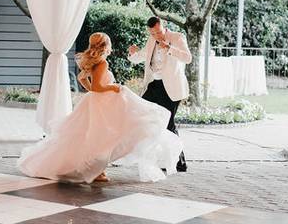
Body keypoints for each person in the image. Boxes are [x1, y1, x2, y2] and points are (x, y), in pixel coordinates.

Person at [18, 32, 180, 183]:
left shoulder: (93, 61)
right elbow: (98, 87)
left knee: (98, 137)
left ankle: (97, 169)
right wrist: (113, 88)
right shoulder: (102, 62)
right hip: (102, 103)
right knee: (103, 137)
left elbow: (84, 80)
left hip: (96, 101)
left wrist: (95, 91)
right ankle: (96, 170)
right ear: (105, 45)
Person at [127, 16, 191, 173]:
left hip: (171, 88)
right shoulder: (151, 40)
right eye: (153, 33)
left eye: (158, 32)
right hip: (154, 85)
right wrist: (132, 54)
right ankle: (147, 156)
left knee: (169, 125)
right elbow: (143, 55)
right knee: (141, 115)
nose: (156, 36)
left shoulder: (177, 37)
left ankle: (179, 162)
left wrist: (169, 48)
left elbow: (187, 58)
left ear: (164, 26)